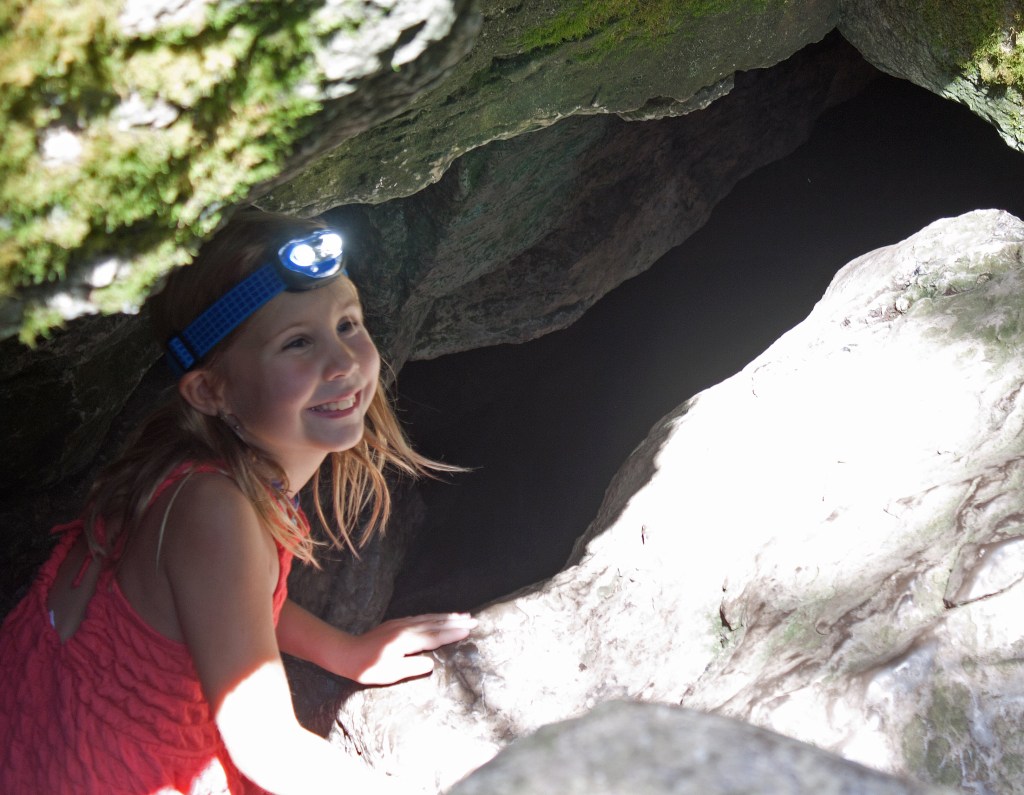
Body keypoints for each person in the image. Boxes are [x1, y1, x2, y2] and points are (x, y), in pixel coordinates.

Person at [0, 210, 476, 794]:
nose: (344, 362)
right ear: (211, 390)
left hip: (33, 735)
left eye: (348, 323)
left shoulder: (190, 472)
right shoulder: (215, 513)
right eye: (297, 342)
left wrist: (344, 652)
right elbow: (267, 748)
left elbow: (229, 602)